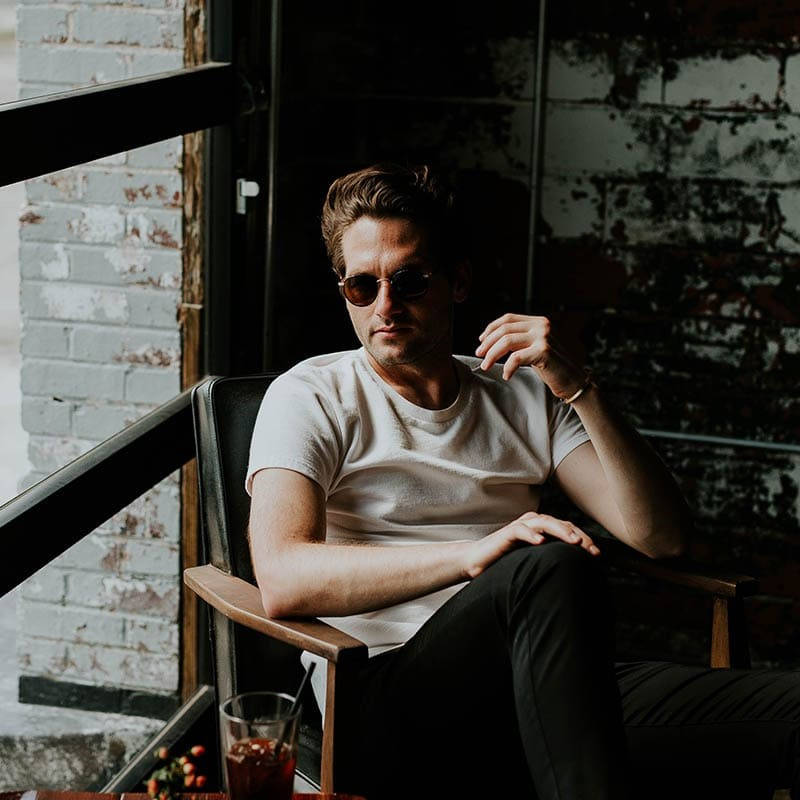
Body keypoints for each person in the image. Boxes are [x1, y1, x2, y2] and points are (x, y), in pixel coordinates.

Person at [246, 163, 800, 799]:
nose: (386, 306)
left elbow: (661, 535)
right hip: (388, 702)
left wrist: (579, 386)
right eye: (362, 286)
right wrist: (475, 556)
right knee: (547, 562)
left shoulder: (522, 392)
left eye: (410, 279)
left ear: (458, 281)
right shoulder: (311, 396)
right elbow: (282, 577)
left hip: (551, 682)